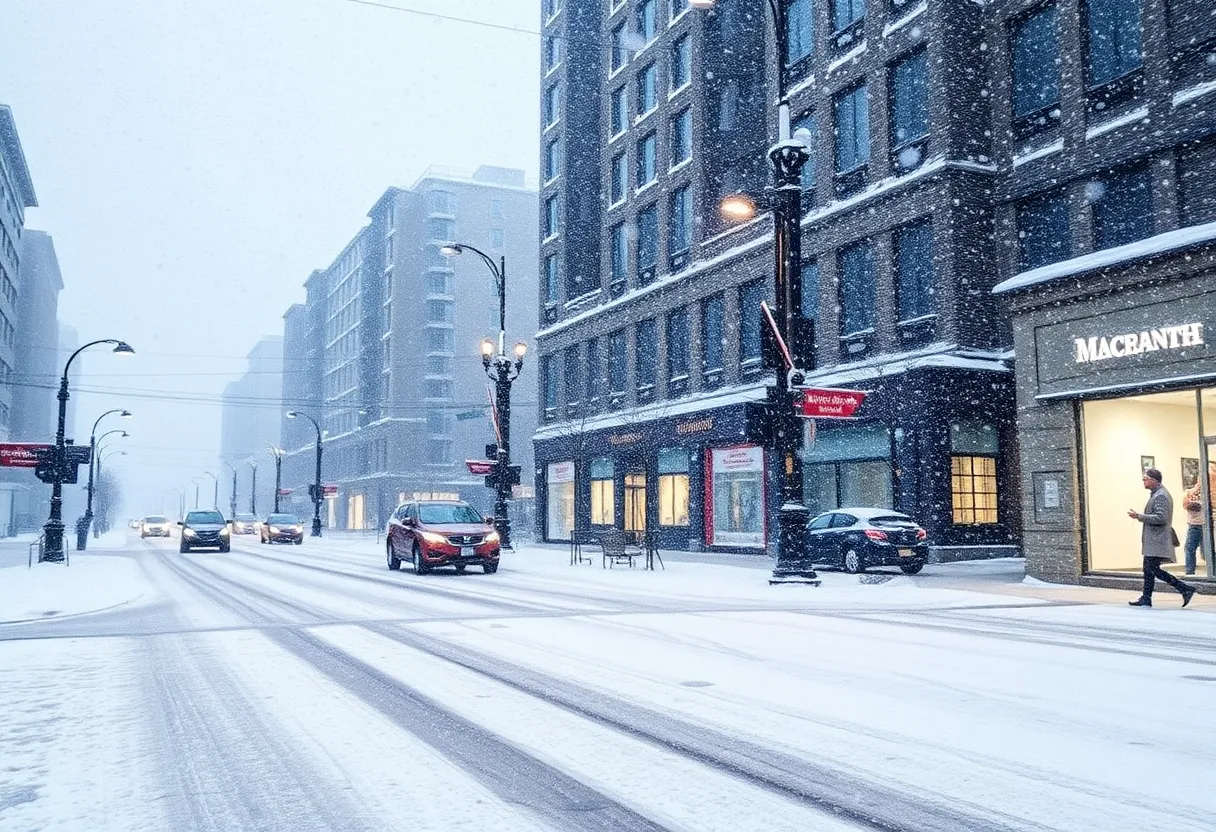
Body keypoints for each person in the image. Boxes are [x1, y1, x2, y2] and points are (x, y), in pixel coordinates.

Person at [1128, 468, 1195, 608]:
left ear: (1153, 480)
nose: (1143, 481)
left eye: (1145, 479)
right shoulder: (1156, 494)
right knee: (1148, 569)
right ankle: (1146, 597)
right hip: (1154, 540)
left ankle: (1184, 588)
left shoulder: (1161, 496)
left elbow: (1161, 517)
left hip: (1157, 539)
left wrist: (1139, 516)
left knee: (1153, 569)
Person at [1181, 461, 1216, 575]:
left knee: (1198, 550)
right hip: (1200, 524)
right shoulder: (1194, 492)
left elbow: (1189, 505)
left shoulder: (1202, 492)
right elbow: (1187, 504)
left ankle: (1192, 572)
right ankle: (1193, 572)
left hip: (1200, 524)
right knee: (1202, 550)